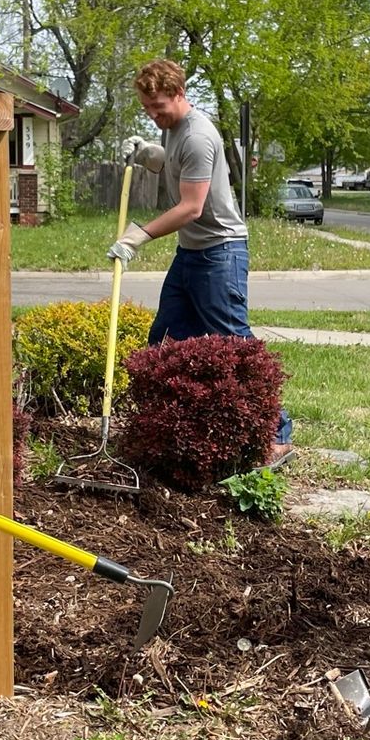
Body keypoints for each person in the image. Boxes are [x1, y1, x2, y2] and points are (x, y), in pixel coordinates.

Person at [108, 58, 293, 461]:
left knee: (235, 343)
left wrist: (139, 235)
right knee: (165, 340)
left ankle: (279, 433)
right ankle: (169, 427)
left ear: (179, 94)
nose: (153, 114)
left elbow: (191, 207)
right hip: (191, 253)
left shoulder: (198, 136)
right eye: (146, 108)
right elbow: (173, 164)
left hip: (220, 253)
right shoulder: (174, 131)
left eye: (158, 106)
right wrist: (147, 153)